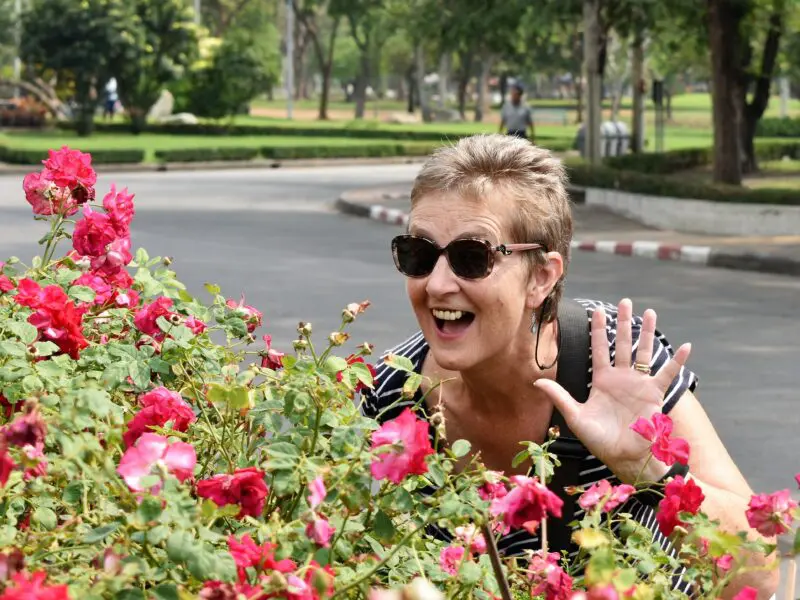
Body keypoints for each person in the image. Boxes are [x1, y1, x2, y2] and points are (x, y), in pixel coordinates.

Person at [360, 134, 777, 598]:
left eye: (472, 258)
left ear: (541, 276)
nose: (437, 284)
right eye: (418, 254)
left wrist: (648, 468)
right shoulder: (388, 399)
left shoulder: (615, 363)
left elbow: (760, 573)